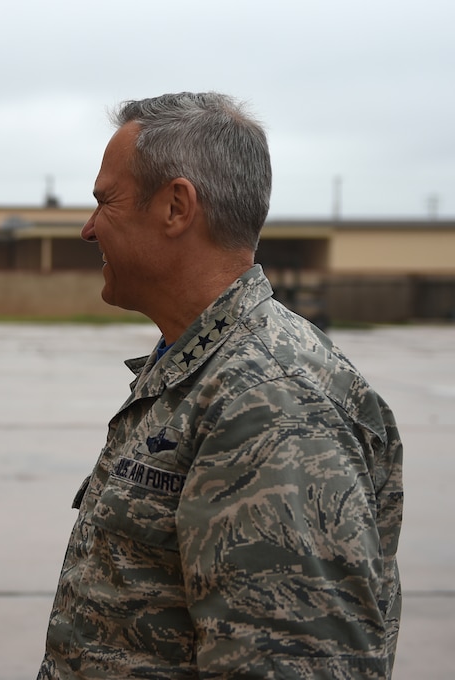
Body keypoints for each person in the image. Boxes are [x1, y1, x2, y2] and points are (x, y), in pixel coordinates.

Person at [38, 92, 403, 679]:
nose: (87, 228)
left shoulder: (272, 402)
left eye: (105, 201)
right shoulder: (197, 366)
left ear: (176, 207)